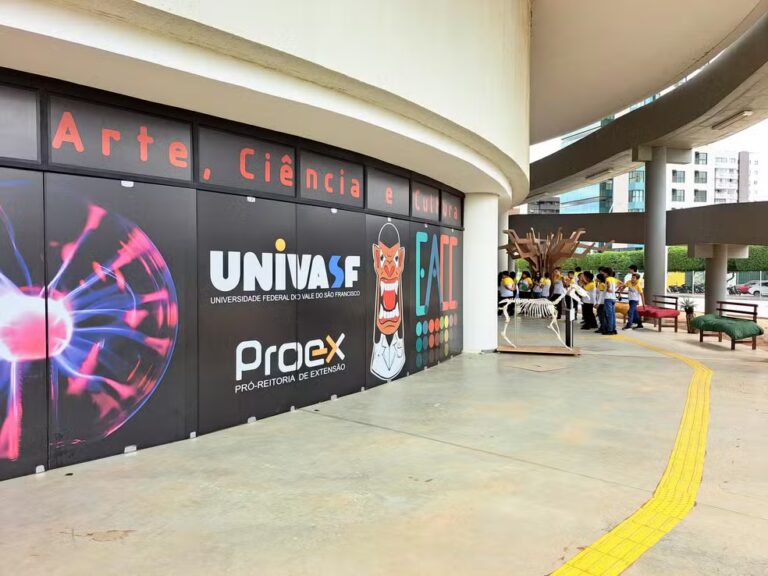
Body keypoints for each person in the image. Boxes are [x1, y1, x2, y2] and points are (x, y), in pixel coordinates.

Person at [602, 267, 619, 335]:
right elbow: (622, 283)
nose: (603, 274)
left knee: (609, 315)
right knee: (612, 315)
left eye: (604, 273)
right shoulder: (614, 279)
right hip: (613, 298)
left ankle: (610, 330)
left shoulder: (607, 279)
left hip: (608, 298)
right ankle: (614, 329)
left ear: (606, 273)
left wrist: (608, 288)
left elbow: (608, 284)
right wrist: (615, 289)